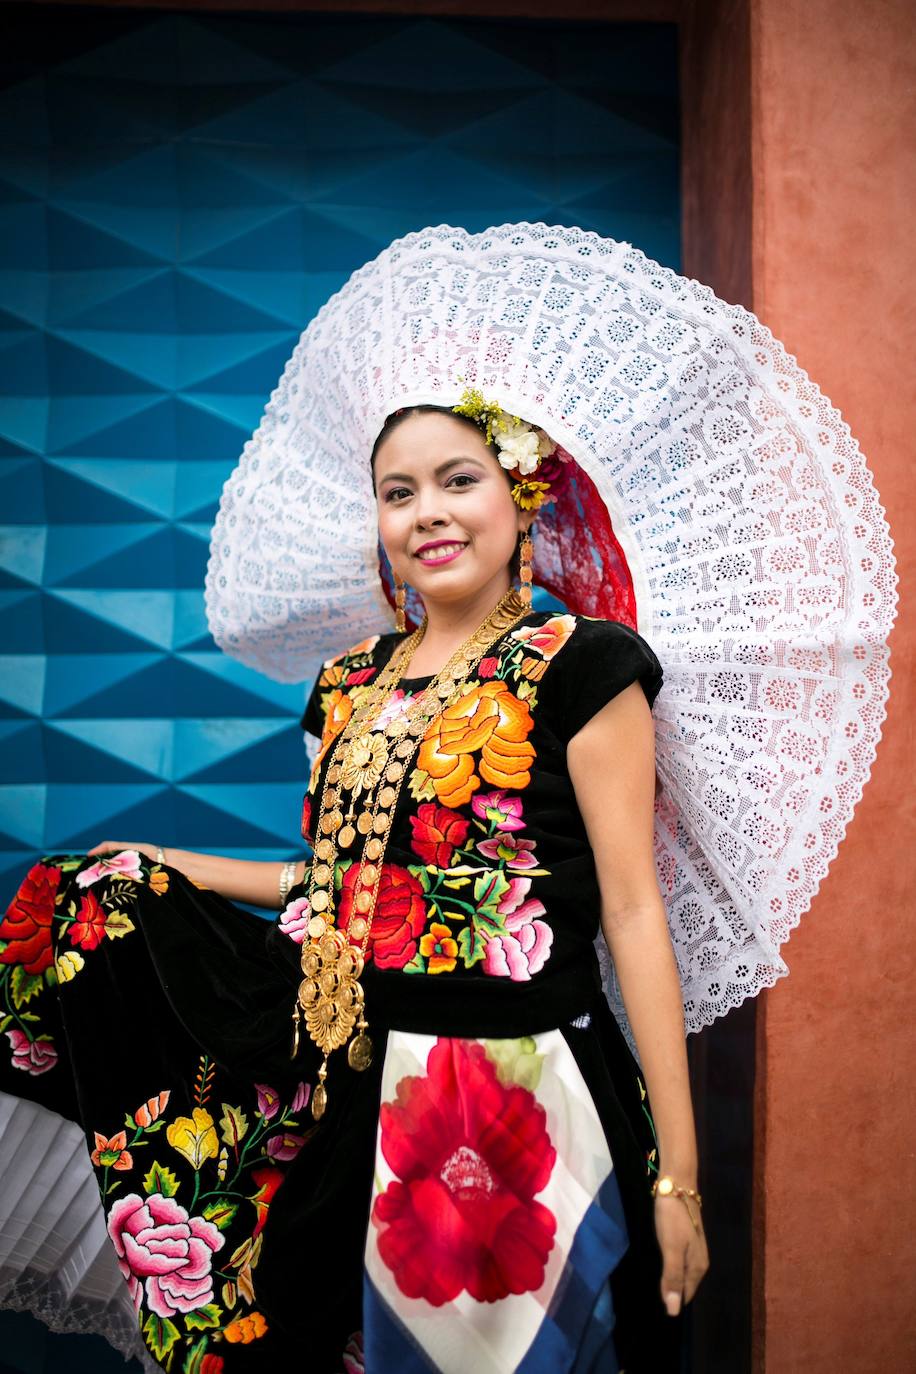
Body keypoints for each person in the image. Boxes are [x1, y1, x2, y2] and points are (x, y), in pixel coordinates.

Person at [0, 222, 895, 1373]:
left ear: (519, 496)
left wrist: (679, 1176)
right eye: (397, 491)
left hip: (507, 1086)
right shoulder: (349, 684)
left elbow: (630, 913)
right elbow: (336, 879)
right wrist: (158, 867)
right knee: (90, 907)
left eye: (457, 480)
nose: (427, 511)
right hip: (352, 1074)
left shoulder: (584, 664)